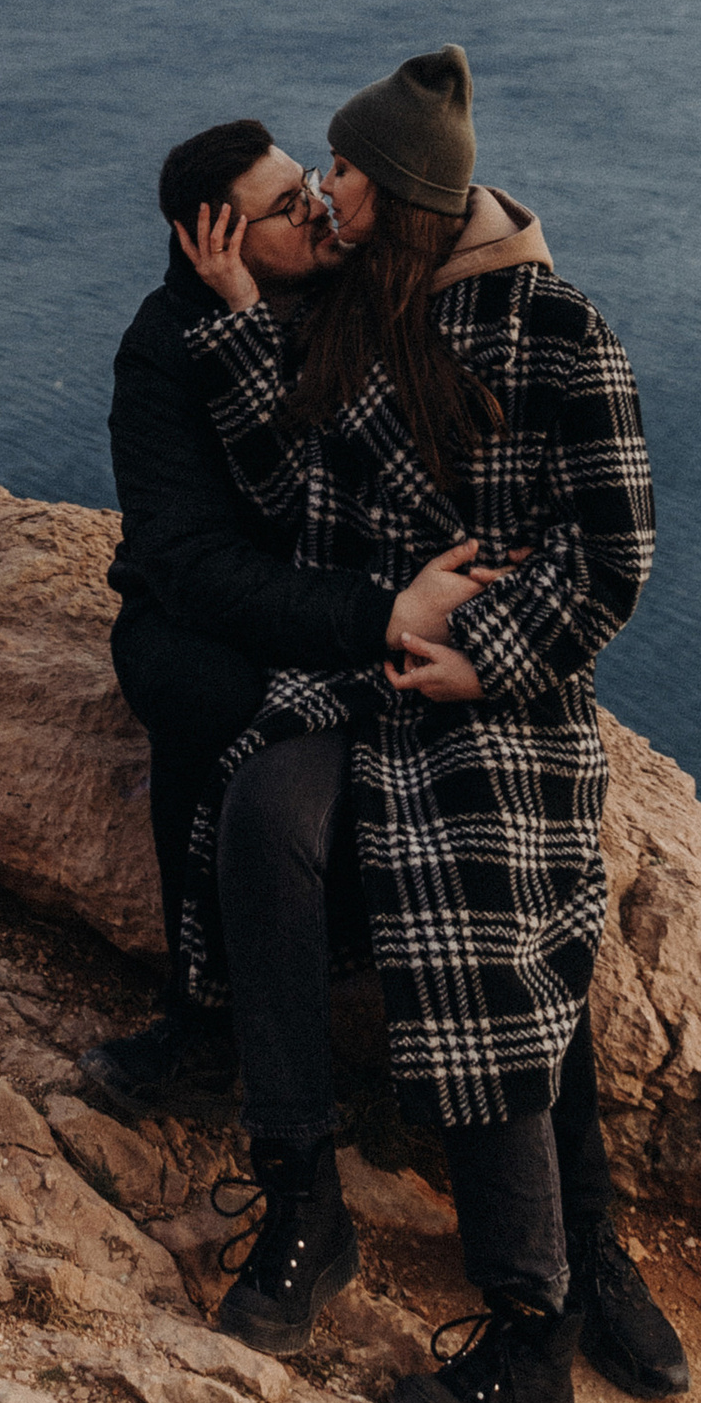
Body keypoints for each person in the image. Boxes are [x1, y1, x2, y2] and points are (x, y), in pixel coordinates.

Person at [170, 43, 679, 1403]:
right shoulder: (347, 311)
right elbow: (291, 487)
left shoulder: (559, 330)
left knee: (471, 919)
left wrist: (491, 651)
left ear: (398, 194)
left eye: (337, 174)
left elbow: (616, 549)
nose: (320, 199)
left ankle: (533, 1335)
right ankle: (303, 1202)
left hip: (492, 706)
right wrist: (228, 319)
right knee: (262, 816)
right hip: (354, 679)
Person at [90, 119, 510, 1121]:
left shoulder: (352, 298)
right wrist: (379, 614)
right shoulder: (163, 351)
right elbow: (194, 570)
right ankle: (202, 1025)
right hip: (203, 617)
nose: (319, 206)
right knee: (211, 709)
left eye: (307, 186)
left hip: (331, 596)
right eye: (287, 206)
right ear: (217, 241)